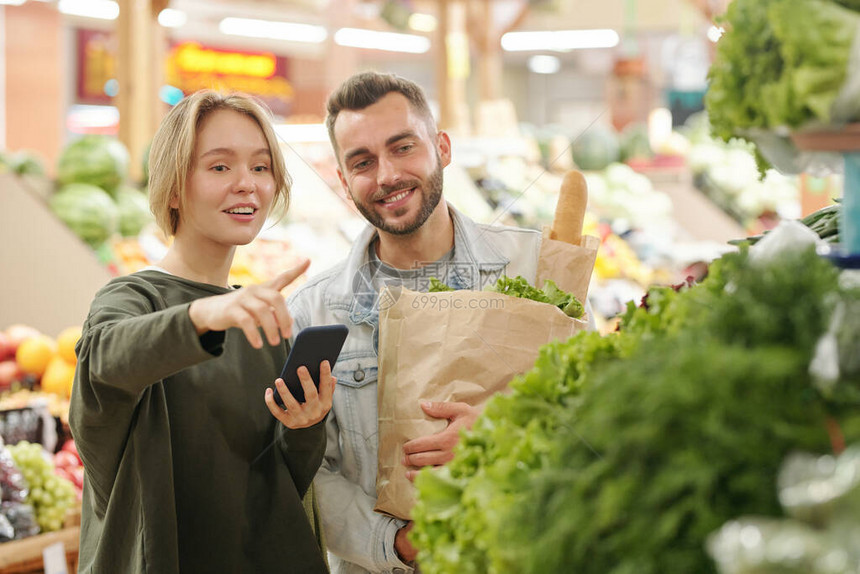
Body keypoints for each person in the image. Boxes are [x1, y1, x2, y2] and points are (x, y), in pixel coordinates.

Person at [287, 71, 590, 574]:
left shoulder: (535, 265)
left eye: (402, 147)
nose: (386, 175)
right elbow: (307, 468)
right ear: (343, 181)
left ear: (443, 148)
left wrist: (504, 427)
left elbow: (594, 406)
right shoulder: (313, 313)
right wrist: (400, 543)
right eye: (362, 162)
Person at [69, 90, 334, 574]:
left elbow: (280, 484)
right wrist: (205, 315)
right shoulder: (131, 300)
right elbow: (104, 362)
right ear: (173, 188)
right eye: (219, 167)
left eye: (260, 167)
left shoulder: (259, 316)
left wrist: (305, 428)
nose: (247, 185)